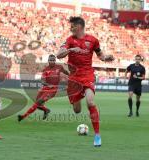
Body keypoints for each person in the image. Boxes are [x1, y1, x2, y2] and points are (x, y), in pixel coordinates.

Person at [56, 17, 114, 147]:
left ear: (79, 26)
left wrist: (106, 58)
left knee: (90, 102)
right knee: (77, 110)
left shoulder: (93, 40)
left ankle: (97, 135)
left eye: (72, 26)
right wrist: (71, 50)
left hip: (88, 75)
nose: (70, 28)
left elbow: (100, 54)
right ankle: (78, 99)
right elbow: (58, 55)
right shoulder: (69, 40)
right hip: (74, 78)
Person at [18, 54, 69, 121]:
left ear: (55, 60)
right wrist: (47, 84)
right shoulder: (45, 69)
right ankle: (46, 110)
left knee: (38, 102)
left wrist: (71, 79)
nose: (52, 61)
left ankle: (23, 116)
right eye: (51, 60)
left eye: (53, 60)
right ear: (48, 61)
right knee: (37, 104)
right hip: (45, 88)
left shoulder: (59, 67)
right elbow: (42, 81)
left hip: (52, 90)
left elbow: (67, 73)